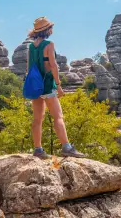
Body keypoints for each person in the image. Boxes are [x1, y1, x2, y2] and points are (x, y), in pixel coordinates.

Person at [26, 16, 86, 159]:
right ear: (47, 30)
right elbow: (53, 65)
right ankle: (66, 147)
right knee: (58, 116)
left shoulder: (31, 46)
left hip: (35, 86)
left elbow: (29, 68)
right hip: (47, 85)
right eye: (50, 27)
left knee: (37, 119)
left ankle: (38, 149)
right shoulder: (49, 44)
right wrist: (59, 85)